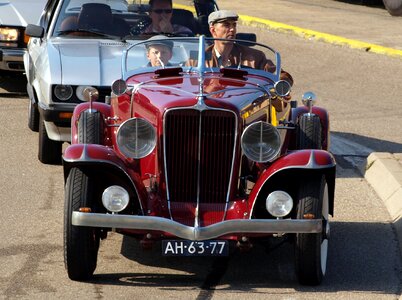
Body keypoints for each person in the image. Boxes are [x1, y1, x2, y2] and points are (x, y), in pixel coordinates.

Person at [206, 10, 293, 86]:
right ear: (213, 30)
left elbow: (280, 75)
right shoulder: (200, 58)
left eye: (234, 25)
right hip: (210, 102)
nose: (232, 29)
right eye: (227, 25)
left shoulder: (254, 57)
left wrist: (280, 82)